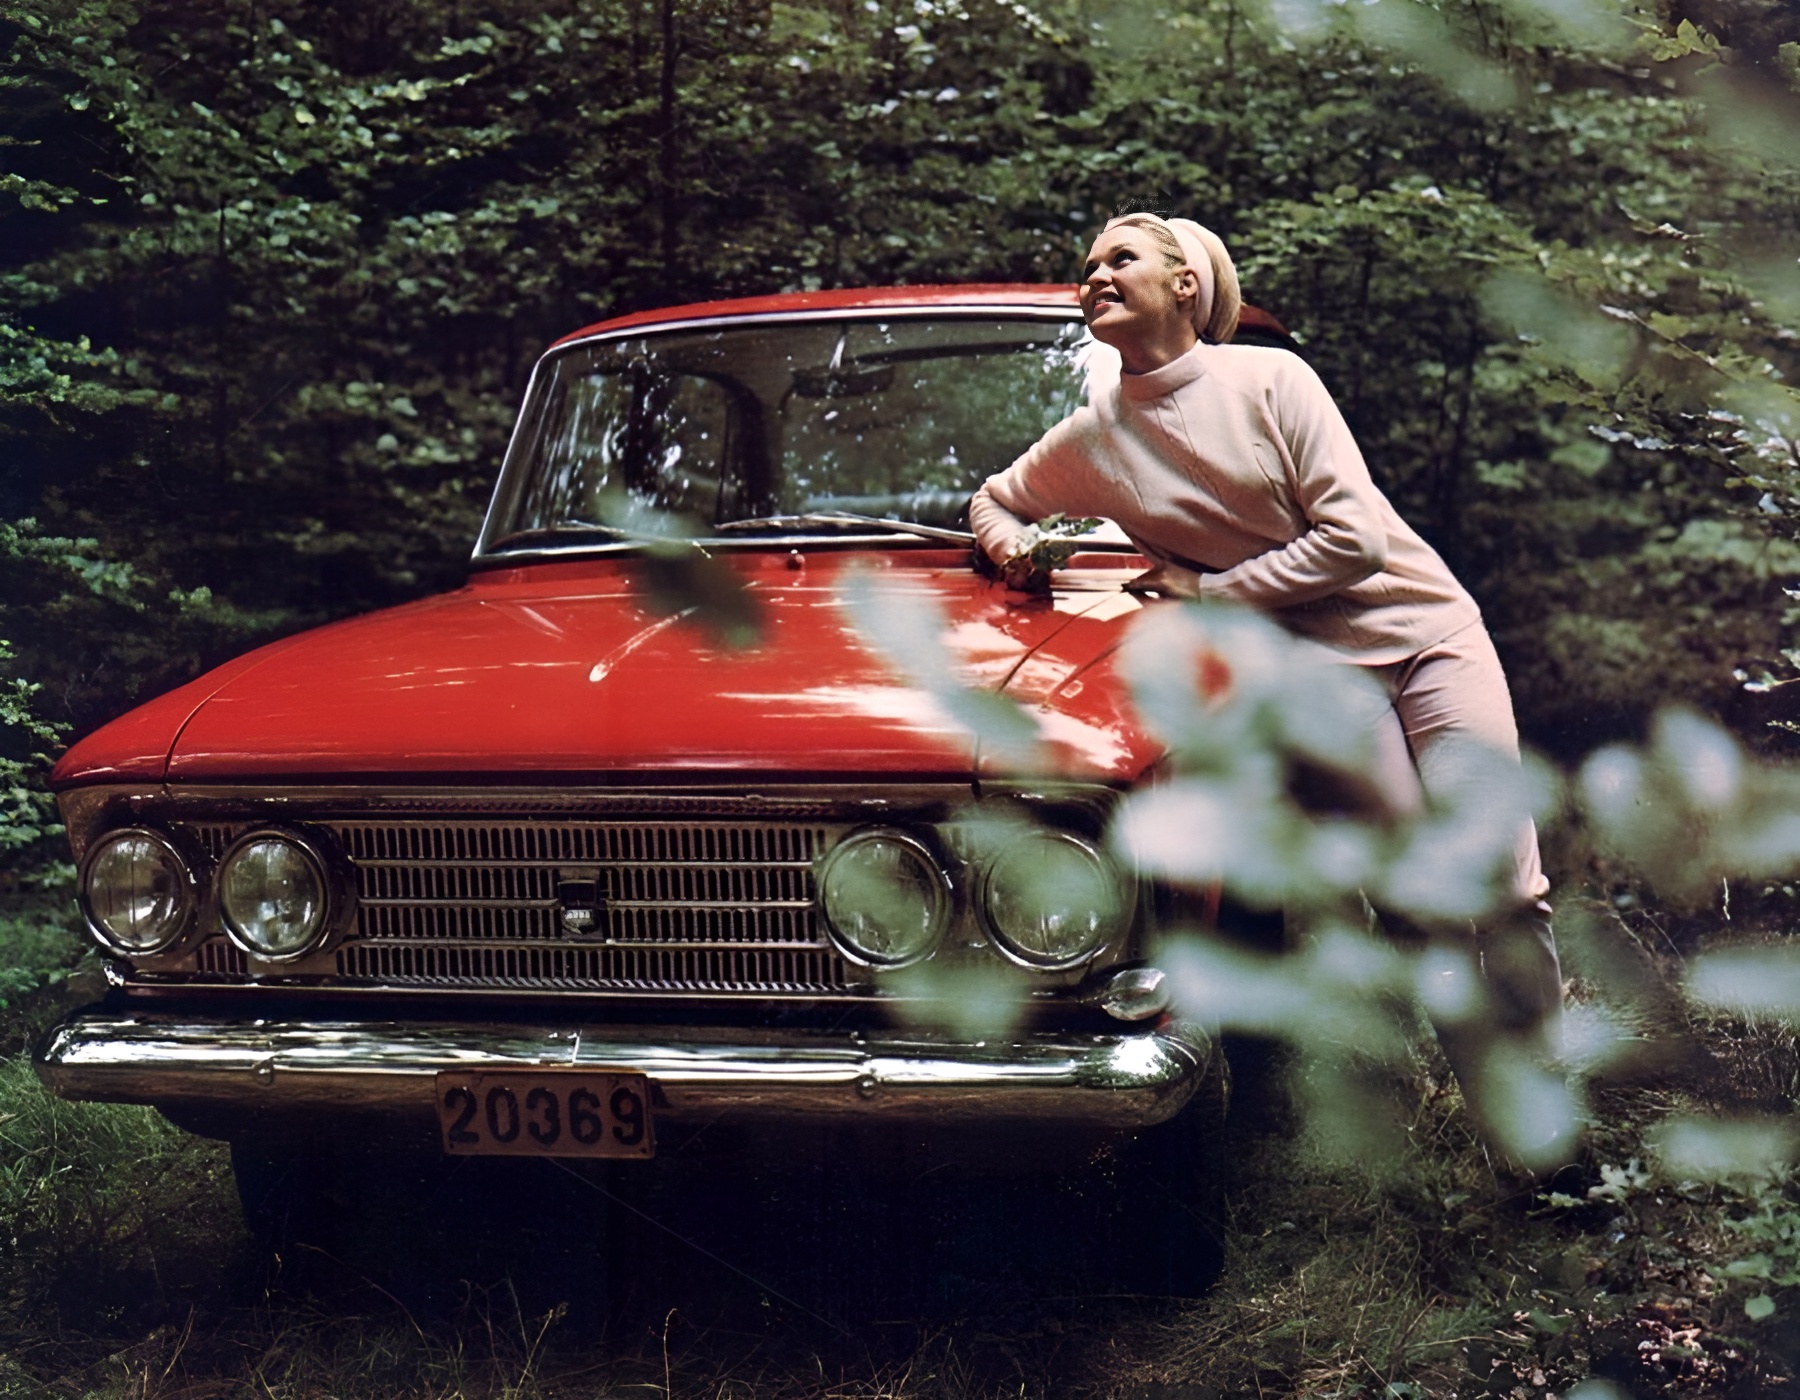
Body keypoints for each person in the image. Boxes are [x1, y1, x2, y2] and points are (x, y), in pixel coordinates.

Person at [968, 211, 1562, 1094]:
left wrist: (1209, 592)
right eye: (1086, 263)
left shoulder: (1272, 380)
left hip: (1429, 632)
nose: (1093, 274)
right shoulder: (1096, 438)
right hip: (1317, 675)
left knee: (1507, 890)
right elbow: (993, 498)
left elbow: (1354, 541)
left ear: (1185, 285)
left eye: (1120, 258)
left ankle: (1556, 1099)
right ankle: (1521, 1137)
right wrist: (1018, 548)